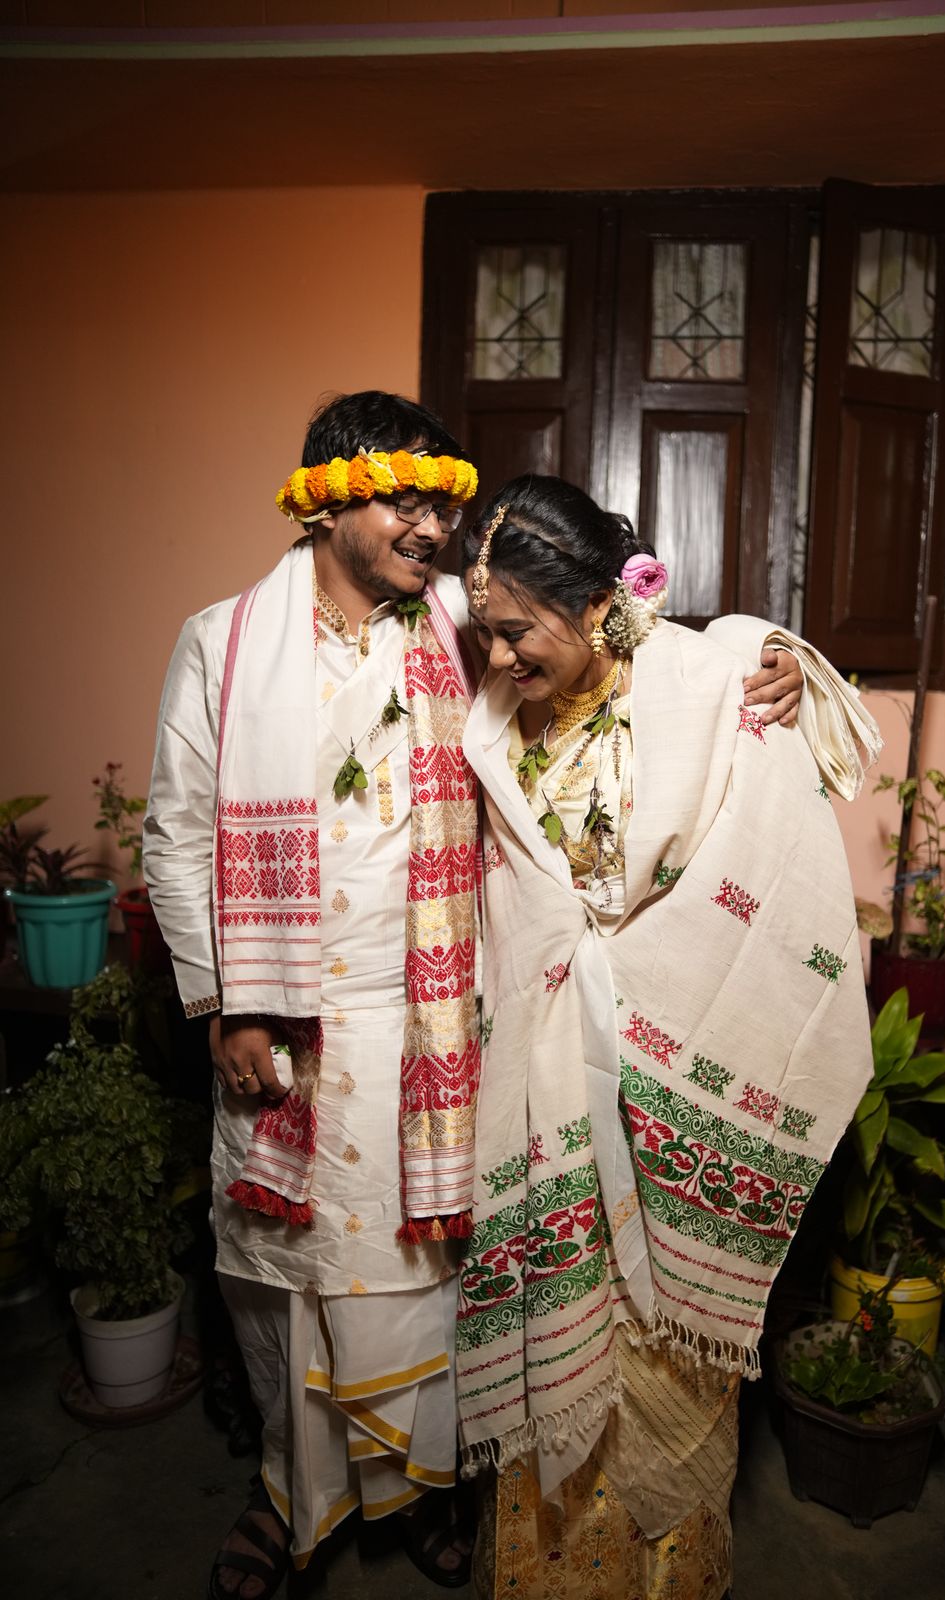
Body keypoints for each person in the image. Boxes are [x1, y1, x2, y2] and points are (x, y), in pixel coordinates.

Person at [142, 392, 865, 1600]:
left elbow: (621, 638)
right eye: (403, 501)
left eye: (442, 502)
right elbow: (175, 834)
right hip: (285, 1019)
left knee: (427, 1286)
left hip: (431, 1025)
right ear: (324, 499)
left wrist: (771, 660)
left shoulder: (459, 621)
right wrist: (231, 1003)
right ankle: (286, 1493)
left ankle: (421, 1487)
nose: (432, 527)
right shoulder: (224, 644)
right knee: (286, 1286)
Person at [453, 476, 879, 1600]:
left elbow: (771, 863)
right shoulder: (494, 728)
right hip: (548, 1094)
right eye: (485, 632)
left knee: (666, 1366)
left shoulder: (702, 687)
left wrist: (777, 658)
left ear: (598, 605)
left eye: (516, 631)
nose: (496, 657)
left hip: (667, 1096)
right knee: (561, 1360)